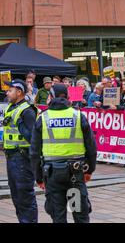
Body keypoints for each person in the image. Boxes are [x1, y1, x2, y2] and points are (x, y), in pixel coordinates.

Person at [30, 84, 97, 223]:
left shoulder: (43, 118)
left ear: (50, 97)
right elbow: (91, 147)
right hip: (75, 174)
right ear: (68, 97)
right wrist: (90, 170)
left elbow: (34, 152)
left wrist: (39, 178)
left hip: (52, 176)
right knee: (78, 212)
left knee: (58, 215)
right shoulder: (78, 116)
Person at [3, 79, 38, 223]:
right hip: (11, 157)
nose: (7, 93)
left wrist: (19, 123)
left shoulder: (27, 111)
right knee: (16, 196)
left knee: (25, 196)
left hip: (22, 158)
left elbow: (33, 138)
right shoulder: (10, 108)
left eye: (10, 90)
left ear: (19, 92)